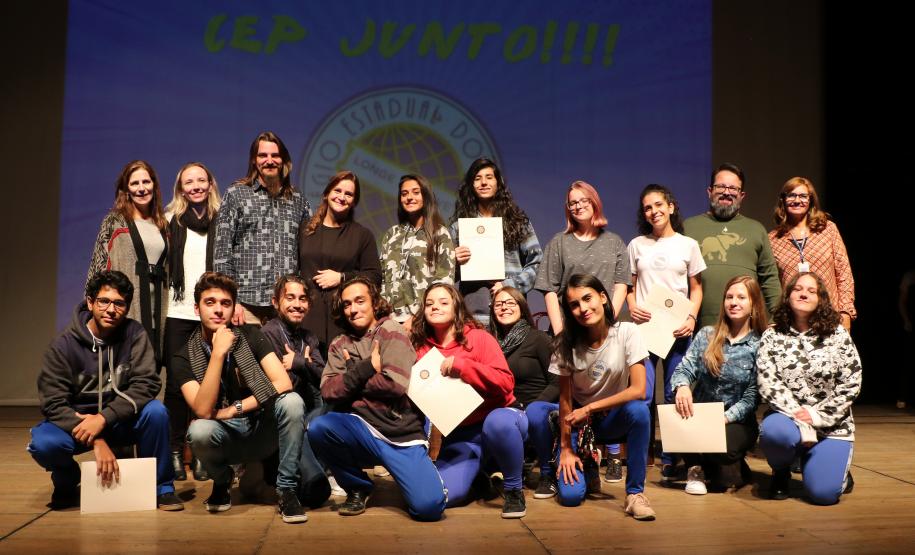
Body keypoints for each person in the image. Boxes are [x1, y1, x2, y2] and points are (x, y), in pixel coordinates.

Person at [174, 272, 327, 523]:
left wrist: (234, 408)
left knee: (292, 401)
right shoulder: (184, 355)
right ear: (196, 308)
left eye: (225, 303)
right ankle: (222, 482)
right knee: (199, 431)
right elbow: (202, 410)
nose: (218, 310)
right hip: (225, 436)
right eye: (209, 302)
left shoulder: (252, 336)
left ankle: (287, 491)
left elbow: (283, 382)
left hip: (260, 428)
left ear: (234, 307)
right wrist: (218, 354)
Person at [28, 271, 182, 510]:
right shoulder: (63, 346)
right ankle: (67, 482)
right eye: (104, 301)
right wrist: (96, 438)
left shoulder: (135, 334)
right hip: (79, 425)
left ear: (127, 307)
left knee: (156, 412)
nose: (111, 309)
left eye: (119, 303)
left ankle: (163, 487)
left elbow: (147, 384)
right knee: (43, 443)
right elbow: (52, 403)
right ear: (90, 302)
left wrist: (103, 418)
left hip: (119, 420)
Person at [307, 277, 447, 521]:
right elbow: (328, 391)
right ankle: (358, 486)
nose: (353, 309)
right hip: (360, 429)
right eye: (347, 304)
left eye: (360, 301)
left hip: (399, 434)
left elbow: (394, 385)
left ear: (374, 303)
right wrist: (366, 368)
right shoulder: (340, 344)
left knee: (429, 509)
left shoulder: (391, 331)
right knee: (319, 427)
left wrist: (350, 377)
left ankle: (420, 477)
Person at [526, 274, 655, 521]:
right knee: (571, 497)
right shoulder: (565, 344)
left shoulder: (627, 332)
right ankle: (573, 466)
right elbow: (565, 398)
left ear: (603, 297)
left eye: (588, 298)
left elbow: (639, 389)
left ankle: (635, 494)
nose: (583, 308)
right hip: (578, 422)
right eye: (574, 304)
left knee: (639, 411)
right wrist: (565, 448)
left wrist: (591, 408)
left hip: (610, 419)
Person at [412, 283, 528, 519]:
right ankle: (479, 481)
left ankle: (514, 489)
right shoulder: (420, 349)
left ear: (456, 307)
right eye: (429, 303)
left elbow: (506, 383)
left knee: (498, 423)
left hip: (502, 418)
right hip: (462, 434)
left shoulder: (479, 338)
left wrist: (464, 367)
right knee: (443, 495)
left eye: (443, 302)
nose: (435, 307)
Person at [757, 272, 862, 505]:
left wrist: (816, 416)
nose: (803, 293)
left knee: (824, 495)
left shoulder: (837, 334)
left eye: (811, 291)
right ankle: (781, 471)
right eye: (798, 289)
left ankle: (832, 468)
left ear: (820, 299)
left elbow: (852, 381)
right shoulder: (772, 335)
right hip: (789, 419)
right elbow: (768, 383)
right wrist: (800, 417)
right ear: (788, 295)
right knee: (775, 432)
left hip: (832, 425)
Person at [627, 184, 705, 479]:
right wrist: (632, 306)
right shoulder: (636, 245)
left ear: (671, 207)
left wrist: (691, 317)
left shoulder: (688, 245)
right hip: (646, 331)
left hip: (677, 332)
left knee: (675, 393)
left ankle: (671, 457)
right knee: (643, 394)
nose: (654, 211)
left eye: (659, 204)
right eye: (648, 207)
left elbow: (696, 289)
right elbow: (630, 285)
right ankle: (642, 454)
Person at [669, 275, 767, 495]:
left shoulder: (760, 344)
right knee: (679, 409)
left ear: (753, 304)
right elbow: (684, 369)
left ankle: (728, 464)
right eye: (729, 297)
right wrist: (683, 386)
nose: (733, 302)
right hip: (700, 415)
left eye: (741, 297)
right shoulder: (706, 335)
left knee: (721, 449)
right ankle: (695, 470)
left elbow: (752, 397)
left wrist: (722, 419)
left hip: (736, 420)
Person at [214, 131, 311, 325]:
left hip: (286, 307)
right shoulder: (236, 194)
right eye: (262, 155)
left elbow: (307, 254)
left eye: (275, 155)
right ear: (253, 160)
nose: (269, 160)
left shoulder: (298, 199)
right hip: (245, 306)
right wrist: (231, 301)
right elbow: (222, 254)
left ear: (283, 160)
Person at [163, 162, 221, 481]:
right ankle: (173, 453)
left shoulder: (222, 220)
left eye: (201, 179)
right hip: (177, 312)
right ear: (181, 188)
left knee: (208, 385)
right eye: (189, 181)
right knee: (175, 386)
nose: (196, 185)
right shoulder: (169, 220)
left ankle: (201, 453)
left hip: (210, 314)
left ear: (210, 184)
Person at [87, 160, 169, 365]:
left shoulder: (163, 224)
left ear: (154, 185)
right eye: (134, 184)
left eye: (146, 182)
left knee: (153, 366)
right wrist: (92, 307)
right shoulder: (115, 221)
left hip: (158, 310)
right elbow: (99, 265)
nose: (141, 188)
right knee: (127, 366)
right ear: (126, 190)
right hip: (126, 309)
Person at [683, 163, 781, 327]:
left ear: (742, 195)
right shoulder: (688, 227)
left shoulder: (756, 229)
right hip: (695, 328)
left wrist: (777, 319)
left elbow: (770, 279)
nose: (727, 192)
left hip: (746, 329)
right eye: (720, 187)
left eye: (733, 189)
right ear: (709, 191)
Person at [450, 158, 542, 326]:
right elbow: (445, 276)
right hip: (473, 315)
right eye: (477, 178)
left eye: (489, 177)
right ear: (471, 185)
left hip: (511, 311)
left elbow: (537, 263)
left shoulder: (518, 222)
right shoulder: (459, 227)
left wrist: (510, 285)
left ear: (498, 183)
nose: (483, 182)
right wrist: (454, 261)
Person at [298, 170, 381, 353]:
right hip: (307, 317)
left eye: (349, 194)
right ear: (327, 194)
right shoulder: (305, 230)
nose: (342, 197)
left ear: (354, 202)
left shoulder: (362, 235)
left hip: (342, 321)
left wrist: (342, 277)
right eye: (337, 191)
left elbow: (374, 276)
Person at [535, 180, 630, 333]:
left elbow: (621, 287)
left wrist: (607, 322)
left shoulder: (615, 242)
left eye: (583, 200)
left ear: (594, 202)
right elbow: (549, 290)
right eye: (572, 203)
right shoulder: (558, 242)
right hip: (568, 329)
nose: (578, 206)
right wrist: (560, 332)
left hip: (603, 330)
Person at [768, 176, 856, 329]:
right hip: (793, 323)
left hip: (830, 318)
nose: (797, 200)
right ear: (783, 200)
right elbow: (772, 285)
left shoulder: (828, 230)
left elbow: (844, 274)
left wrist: (846, 312)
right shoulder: (773, 239)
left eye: (803, 196)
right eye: (791, 195)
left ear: (811, 201)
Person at [380, 174, 455, 328]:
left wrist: (417, 319)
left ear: (425, 196)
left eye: (416, 192)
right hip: (390, 320)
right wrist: (383, 316)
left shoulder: (439, 233)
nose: (409, 197)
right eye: (404, 193)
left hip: (424, 320)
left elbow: (444, 281)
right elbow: (382, 277)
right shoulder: (392, 234)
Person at [490, 287, 557, 409]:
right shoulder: (490, 344)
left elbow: (557, 383)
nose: (504, 307)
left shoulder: (538, 338)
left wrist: (532, 409)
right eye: (498, 305)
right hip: (506, 410)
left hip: (538, 408)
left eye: (510, 303)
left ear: (521, 308)